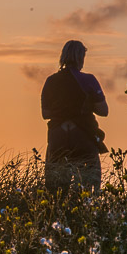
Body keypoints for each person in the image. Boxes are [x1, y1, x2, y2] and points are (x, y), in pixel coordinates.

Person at [41, 40, 109, 192]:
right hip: (83, 135)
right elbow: (103, 111)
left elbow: (46, 114)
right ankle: (87, 202)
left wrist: (63, 110)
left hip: (58, 136)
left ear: (63, 57)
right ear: (81, 58)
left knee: (54, 186)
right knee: (90, 183)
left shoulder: (51, 81)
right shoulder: (88, 80)